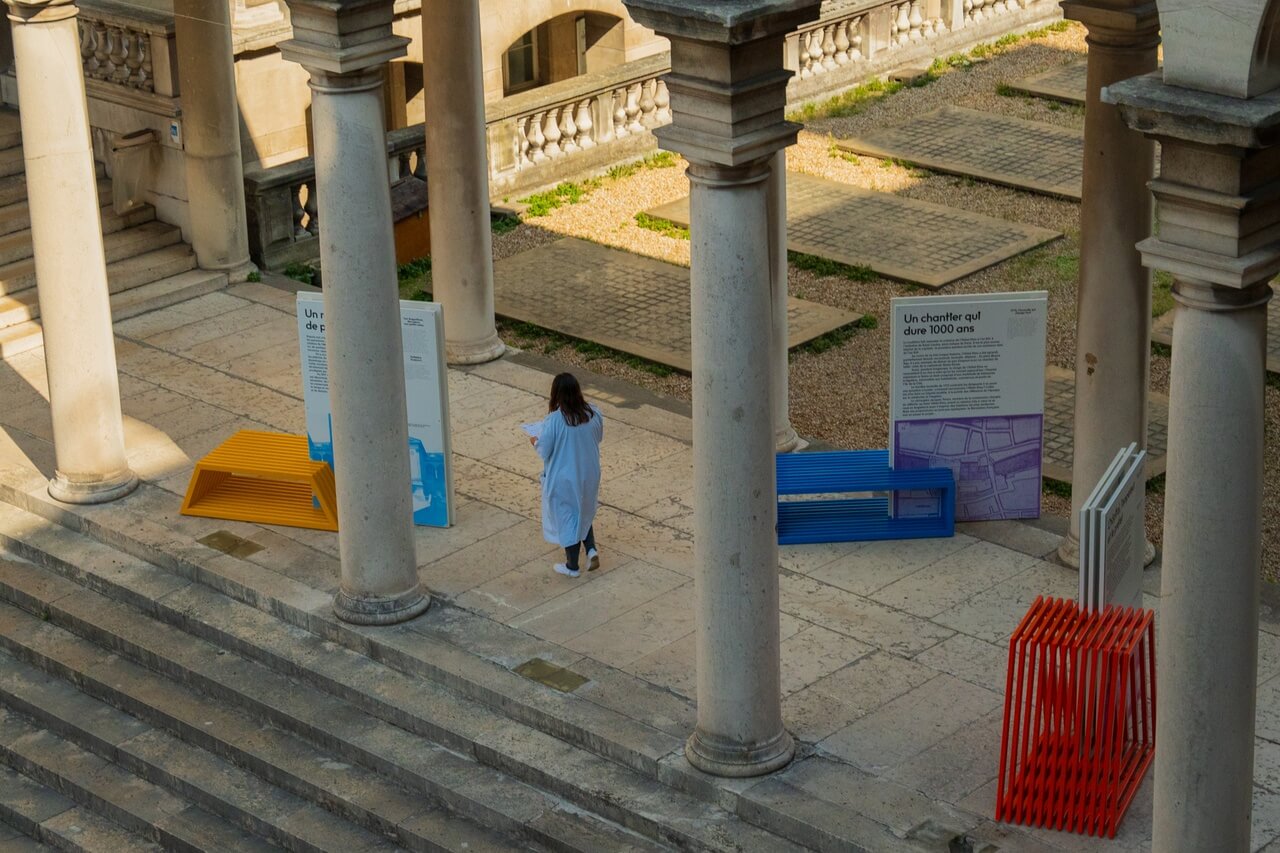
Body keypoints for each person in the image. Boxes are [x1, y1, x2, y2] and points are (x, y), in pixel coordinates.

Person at [532, 373, 603, 578]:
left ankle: (572, 566)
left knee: (567, 517)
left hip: (564, 477)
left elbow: (544, 450)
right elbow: (598, 438)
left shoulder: (554, 420)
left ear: (557, 394)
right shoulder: (594, 413)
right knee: (584, 510)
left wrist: (534, 441)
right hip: (589, 473)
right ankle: (591, 550)